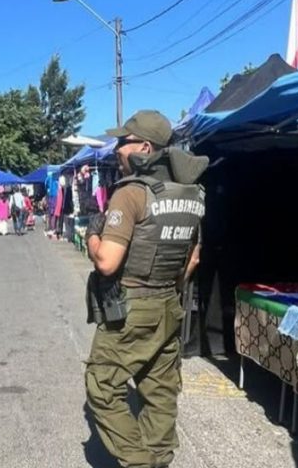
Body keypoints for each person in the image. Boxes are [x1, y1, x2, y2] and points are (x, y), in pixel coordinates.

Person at [83, 110, 207, 468]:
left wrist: (93, 236)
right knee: (160, 390)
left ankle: (137, 462)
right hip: (169, 303)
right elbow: (193, 261)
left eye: (123, 142)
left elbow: (107, 262)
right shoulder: (193, 194)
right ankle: (157, 458)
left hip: (131, 309)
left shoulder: (132, 193)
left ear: (144, 147)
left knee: (102, 386)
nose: (116, 149)